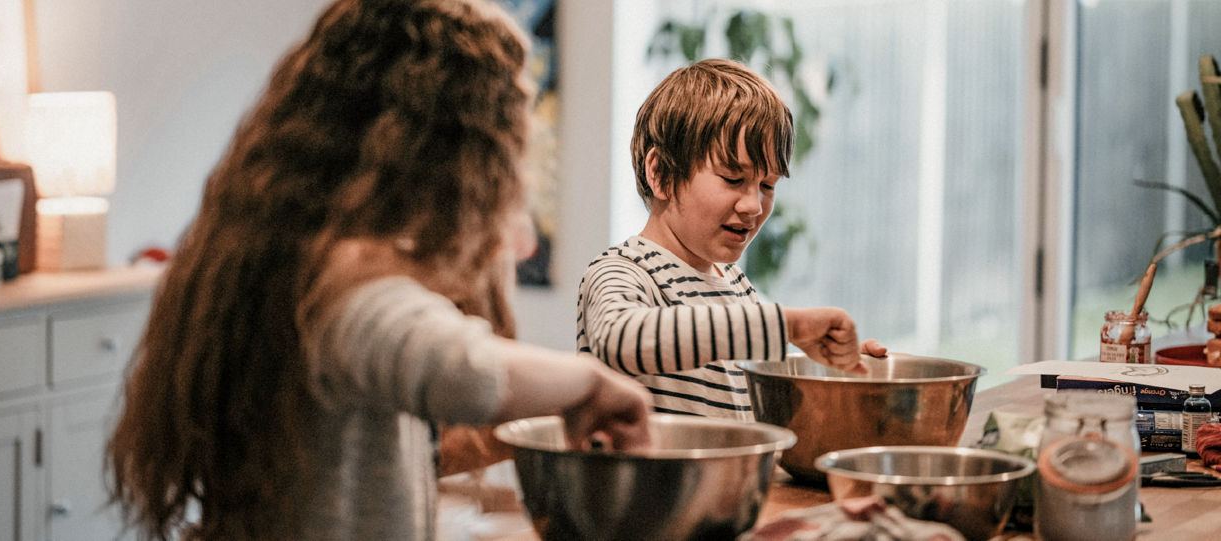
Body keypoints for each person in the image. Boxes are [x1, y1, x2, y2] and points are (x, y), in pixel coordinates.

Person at [105, 1, 652, 539]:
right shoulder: (344, 277)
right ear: (448, 153)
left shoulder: (284, 247)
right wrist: (591, 383)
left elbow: (347, 450)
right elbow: (461, 368)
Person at [576, 58, 883, 420]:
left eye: (767, 185)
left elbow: (750, 390)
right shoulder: (622, 272)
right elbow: (620, 339)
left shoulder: (737, 286)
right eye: (733, 179)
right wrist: (788, 325)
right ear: (660, 174)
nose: (754, 205)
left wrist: (834, 367)